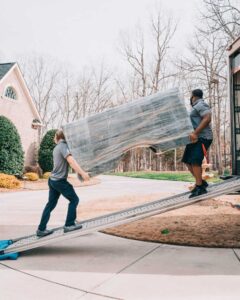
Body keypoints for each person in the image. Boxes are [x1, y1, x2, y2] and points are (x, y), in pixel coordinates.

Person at [36, 129, 90, 237]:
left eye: (54, 136)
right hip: (60, 181)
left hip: (52, 180)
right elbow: (71, 161)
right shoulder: (63, 146)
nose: (53, 139)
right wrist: (83, 173)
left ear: (58, 137)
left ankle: (41, 229)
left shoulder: (57, 147)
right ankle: (69, 225)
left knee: (50, 205)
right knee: (74, 199)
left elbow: (69, 161)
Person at [182, 89, 213, 198]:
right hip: (195, 139)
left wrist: (195, 133)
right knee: (187, 160)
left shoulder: (201, 104)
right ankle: (201, 182)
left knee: (195, 161)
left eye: (191, 96)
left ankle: (200, 187)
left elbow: (207, 118)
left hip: (203, 137)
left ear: (193, 96)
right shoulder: (195, 107)